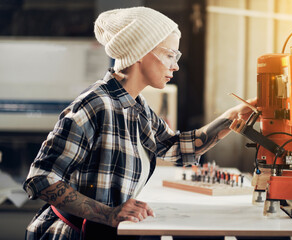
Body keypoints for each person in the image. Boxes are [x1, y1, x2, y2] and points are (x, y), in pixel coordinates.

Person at [23, 6, 256, 240]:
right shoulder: (96, 104)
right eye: (169, 55)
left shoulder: (137, 106)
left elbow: (175, 146)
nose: (175, 65)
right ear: (141, 51)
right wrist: (109, 214)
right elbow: (41, 178)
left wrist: (232, 116)